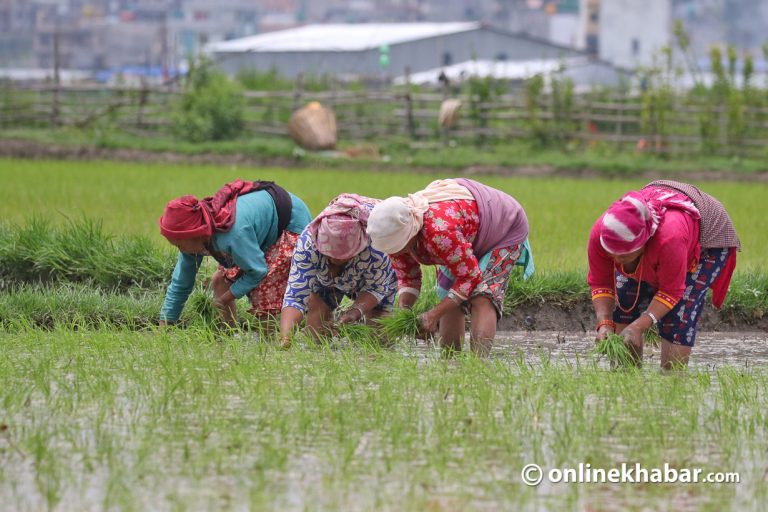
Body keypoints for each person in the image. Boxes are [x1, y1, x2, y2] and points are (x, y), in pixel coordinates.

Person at [366, 179, 533, 356]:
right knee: (447, 294)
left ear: (410, 233)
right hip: (463, 236)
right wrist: (405, 309)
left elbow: (470, 277)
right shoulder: (397, 239)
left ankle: (478, 366)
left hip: (503, 227)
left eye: (398, 245)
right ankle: (450, 361)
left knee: (483, 296)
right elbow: (408, 277)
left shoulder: (439, 232)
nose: (397, 251)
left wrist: (433, 315)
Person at [588, 180, 740, 368]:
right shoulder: (601, 232)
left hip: (707, 241)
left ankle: (672, 382)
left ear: (644, 242)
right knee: (625, 301)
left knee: (678, 315)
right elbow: (601, 282)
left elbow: (672, 291)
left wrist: (640, 326)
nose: (616, 258)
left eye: (624, 253)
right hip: (664, 236)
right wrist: (604, 323)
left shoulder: (669, 239)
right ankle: (625, 376)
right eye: (611, 252)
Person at [158, 179, 311, 328]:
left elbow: (258, 271)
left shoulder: (232, 236)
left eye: (179, 244)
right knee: (220, 281)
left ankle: (267, 347)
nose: (180, 249)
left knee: (263, 291)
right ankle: (228, 335)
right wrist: (165, 323)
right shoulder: (193, 240)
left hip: (290, 220)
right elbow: (181, 283)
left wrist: (224, 299)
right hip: (258, 231)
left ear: (195, 234)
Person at [280, 194, 397, 346]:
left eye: (343, 257)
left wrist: (355, 312)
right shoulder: (308, 243)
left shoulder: (376, 246)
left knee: (379, 333)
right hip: (325, 280)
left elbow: (376, 288)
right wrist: (285, 338)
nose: (336, 261)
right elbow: (295, 296)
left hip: (372, 278)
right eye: (330, 256)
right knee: (315, 327)